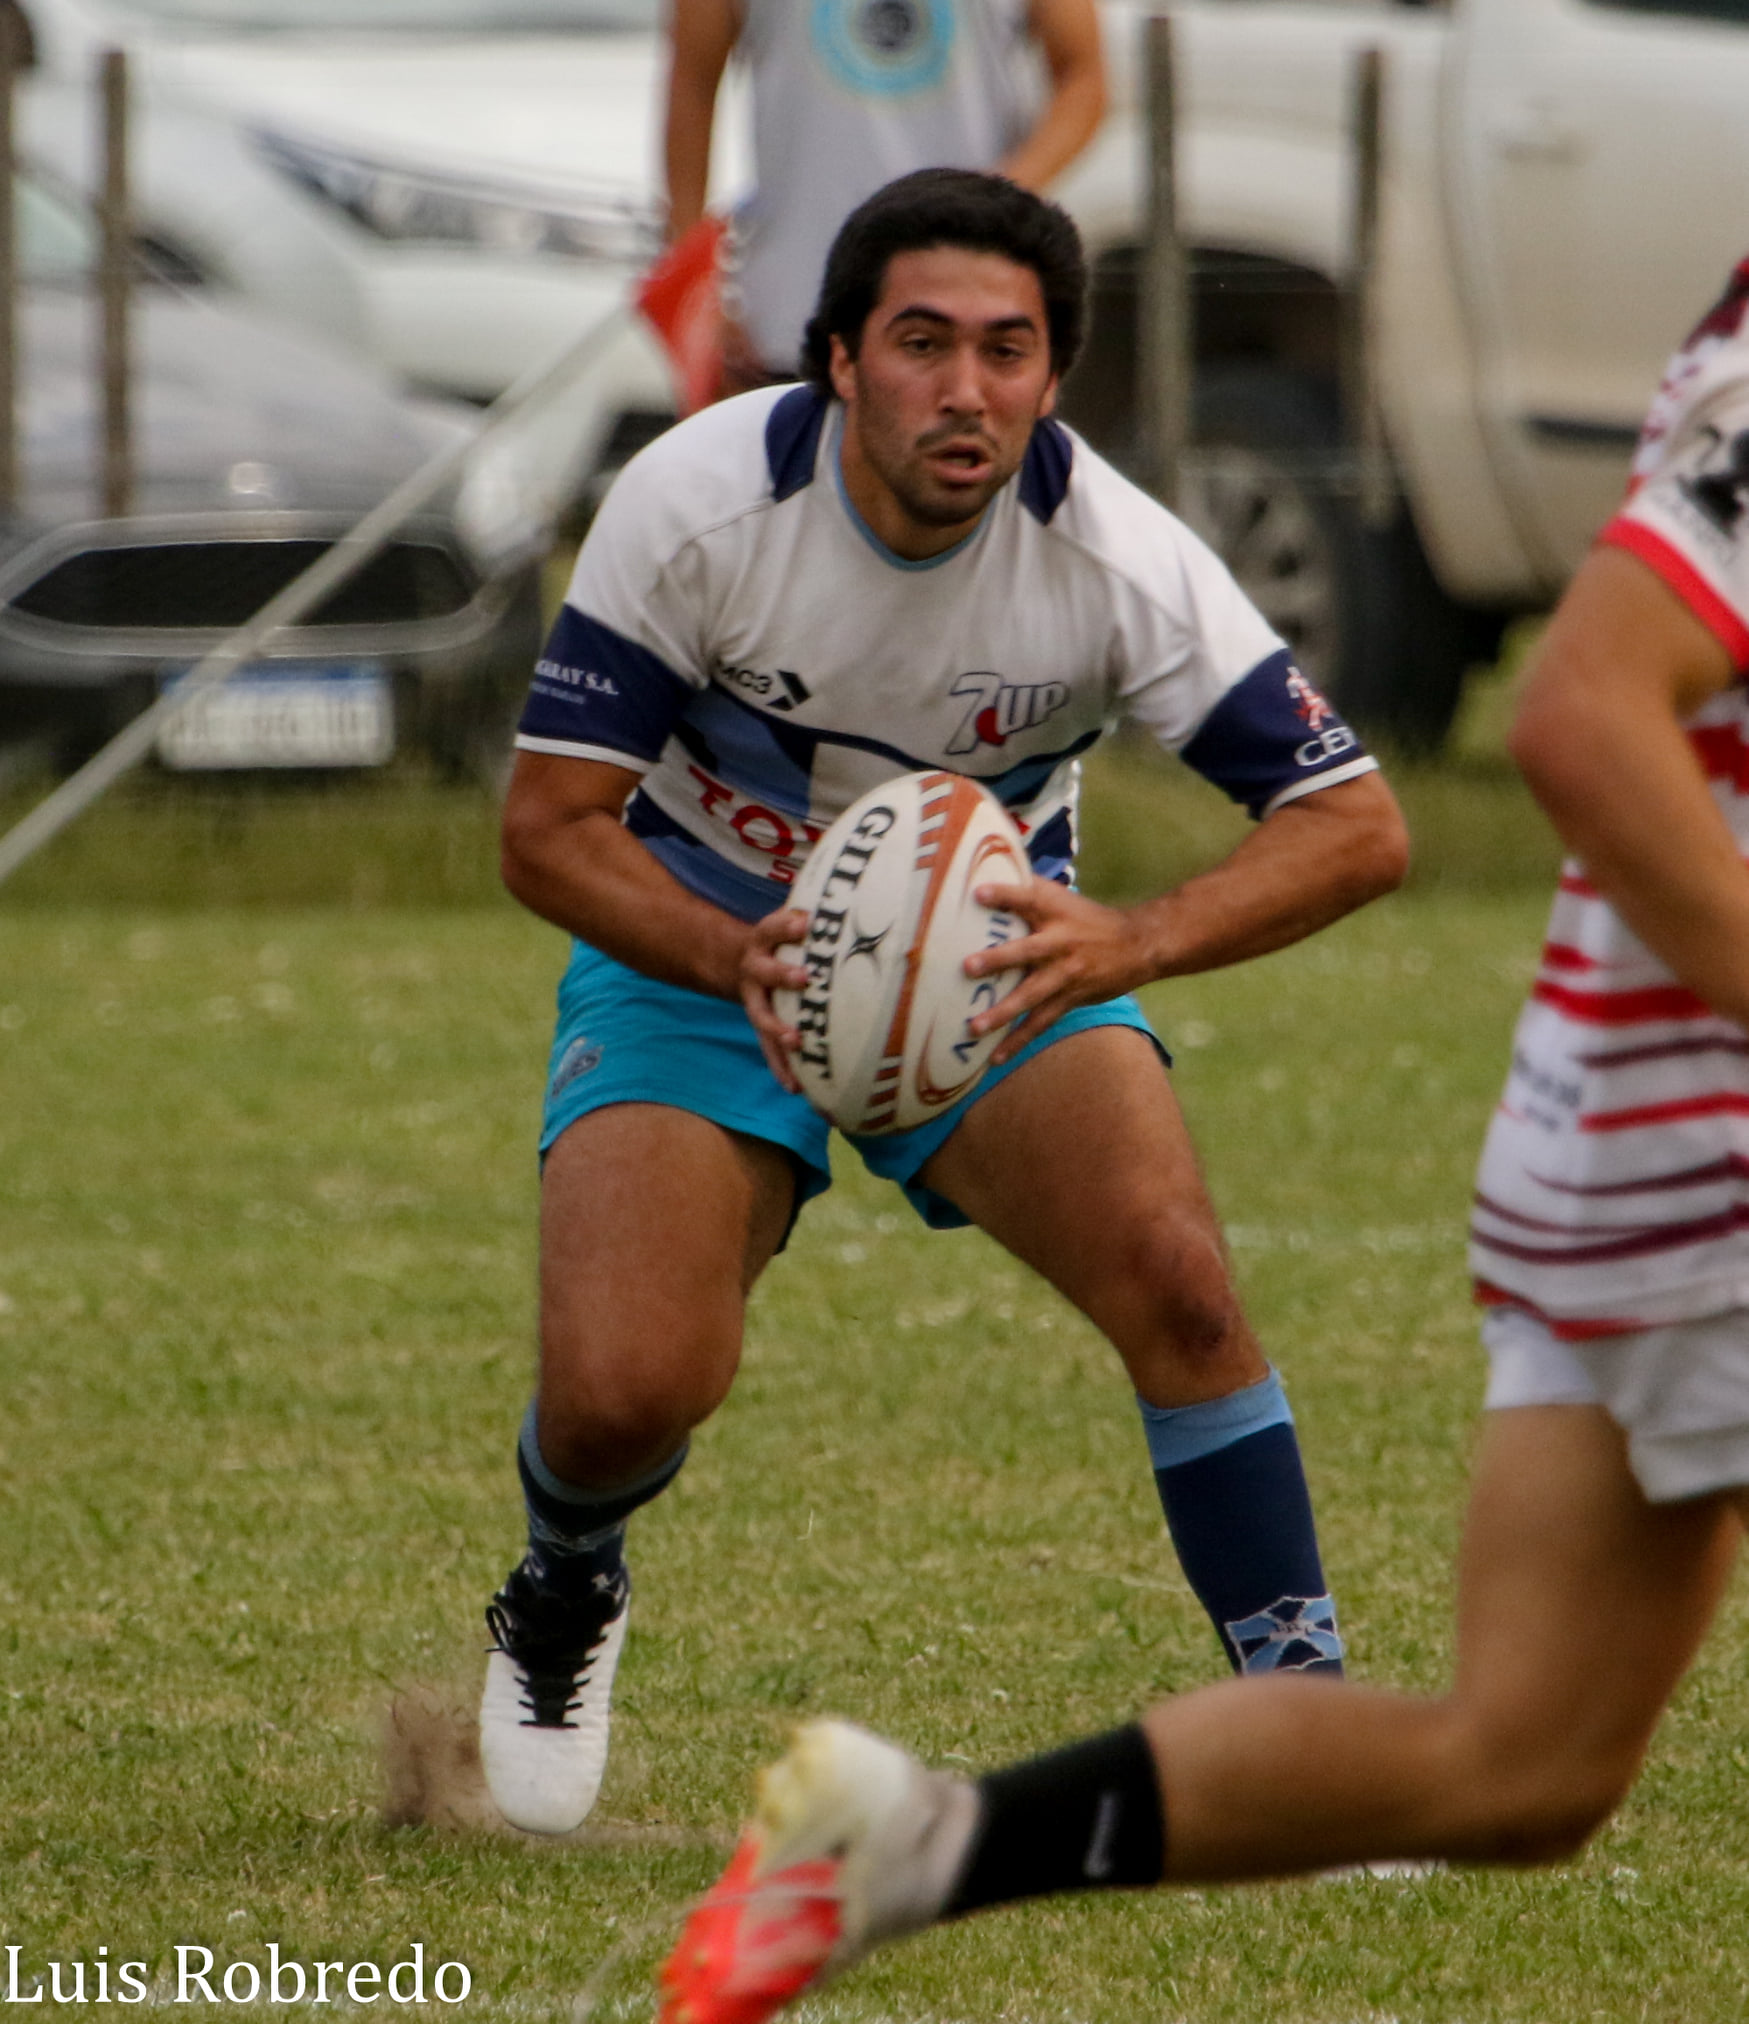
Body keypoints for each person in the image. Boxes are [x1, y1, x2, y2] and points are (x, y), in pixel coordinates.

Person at [652, 257, 1749, 2024]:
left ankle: (923, 1843)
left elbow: (1375, 811)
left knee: (1518, 1766)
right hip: (1702, 1156)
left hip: (1635, 1147)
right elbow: (1576, 710)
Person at [479, 168, 1407, 1838]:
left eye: (1006, 349)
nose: (964, 389)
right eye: (920, 343)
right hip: (703, 940)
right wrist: (726, 955)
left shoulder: (1114, 555)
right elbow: (546, 830)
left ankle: (1307, 1734)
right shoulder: (696, 505)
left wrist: (1129, 938)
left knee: (1183, 1286)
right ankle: (565, 1577)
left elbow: (1353, 825)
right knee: (623, 1390)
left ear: (1053, 376)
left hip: (991, 963)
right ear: (838, 359)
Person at [663, 0, 1106, 392]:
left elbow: (1083, 79)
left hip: (963, 319)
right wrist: (699, 293)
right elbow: (691, 86)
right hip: (789, 313)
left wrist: (989, 206)